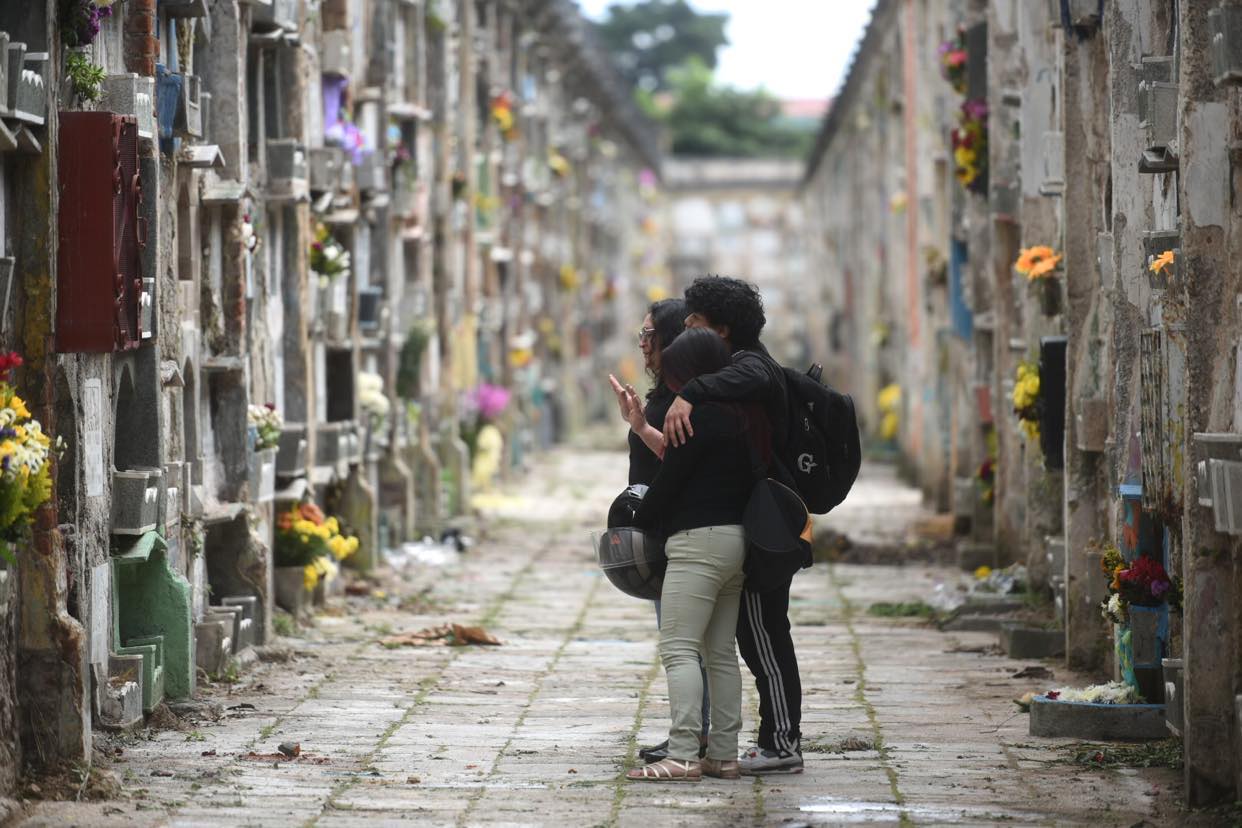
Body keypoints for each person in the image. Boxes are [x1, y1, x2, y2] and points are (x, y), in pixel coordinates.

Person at [663, 275, 805, 776]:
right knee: (739, 641)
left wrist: (691, 393)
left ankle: (782, 741)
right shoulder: (735, 370)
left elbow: (755, 379)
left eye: (695, 322)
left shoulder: (753, 366)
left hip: (765, 524)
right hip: (749, 524)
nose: (685, 328)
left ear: (721, 330)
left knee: (765, 634)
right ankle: (744, 745)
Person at [625, 328, 766, 782]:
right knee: (721, 652)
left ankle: (684, 753)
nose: (670, 387)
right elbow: (688, 464)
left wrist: (636, 520)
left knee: (680, 649)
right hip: (734, 542)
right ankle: (723, 755)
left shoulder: (691, 417)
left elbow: (668, 483)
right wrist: (641, 427)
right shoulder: (741, 418)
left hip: (696, 545)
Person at [607, 299, 710, 763]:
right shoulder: (663, 395)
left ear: (671, 341)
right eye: (641, 335)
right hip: (659, 529)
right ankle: (702, 733)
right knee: (688, 641)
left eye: (649, 335)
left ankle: (693, 736)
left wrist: (641, 425)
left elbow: (678, 459)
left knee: (684, 643)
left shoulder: (683, 401)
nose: (643, 344)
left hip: (680, 534)